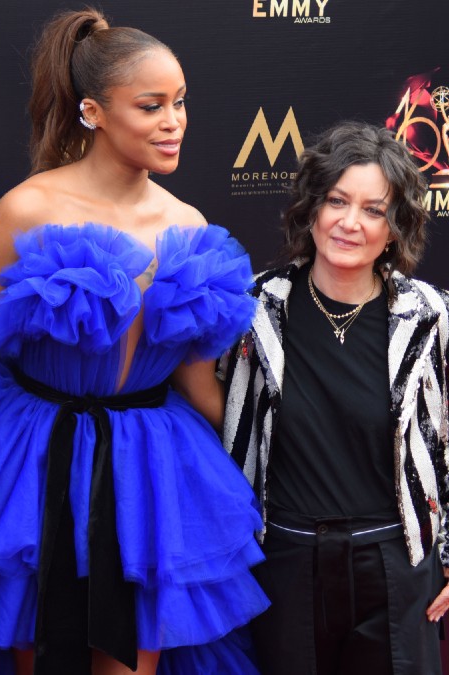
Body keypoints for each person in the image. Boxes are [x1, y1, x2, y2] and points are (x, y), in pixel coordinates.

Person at [0, 8, 269, 674]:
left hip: (151, 470)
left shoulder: (188, 223)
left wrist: (262, 463)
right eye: (151, 105)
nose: (173, 120)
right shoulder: (25, 209)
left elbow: (200, 385)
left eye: (179, 103)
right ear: (93, 110)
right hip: (30, 465)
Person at [221, 121, 449, 675]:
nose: (350, 223)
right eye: (337, 201)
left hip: (397, 563)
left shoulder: (431, 315)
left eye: (374, 210)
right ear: (311, 209)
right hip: (283, 562)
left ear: (396, 227)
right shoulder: (252, 309)